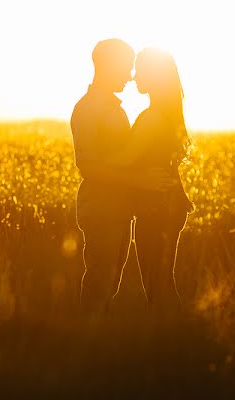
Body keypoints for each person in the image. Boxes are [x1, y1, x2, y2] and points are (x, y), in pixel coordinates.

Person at [70, 39, 169, 315]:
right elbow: (88, 166)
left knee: (109, 285)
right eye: (126, 68)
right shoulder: (89, 108)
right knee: (100, 284)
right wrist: (141, 182)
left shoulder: (112, 107)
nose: (129, 76)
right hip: (101, 210)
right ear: (108, 67)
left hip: (118, 210)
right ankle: (88, 345)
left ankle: (98, 343)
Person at [117, 47, 193, 318]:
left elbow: (124, 159)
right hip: (168, 204)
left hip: (159, 207)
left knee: (157, 283)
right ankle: (171, 338)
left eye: (140, 70)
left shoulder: (152, 117)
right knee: (161, 281)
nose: (135, 76)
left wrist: (91, 159)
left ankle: (170, 342)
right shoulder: (167, 112)